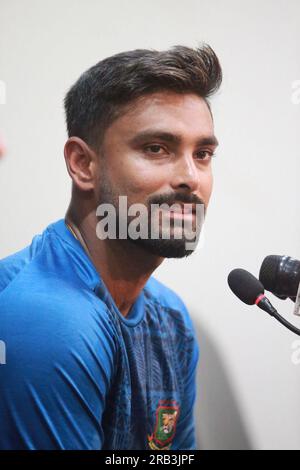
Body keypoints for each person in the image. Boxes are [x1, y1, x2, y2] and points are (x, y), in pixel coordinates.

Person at [0, 44, 222, 450]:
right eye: (157, 148)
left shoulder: (171, 319)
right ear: (84, 164)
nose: (191, 177)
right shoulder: (51, 321)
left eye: (203, 154)